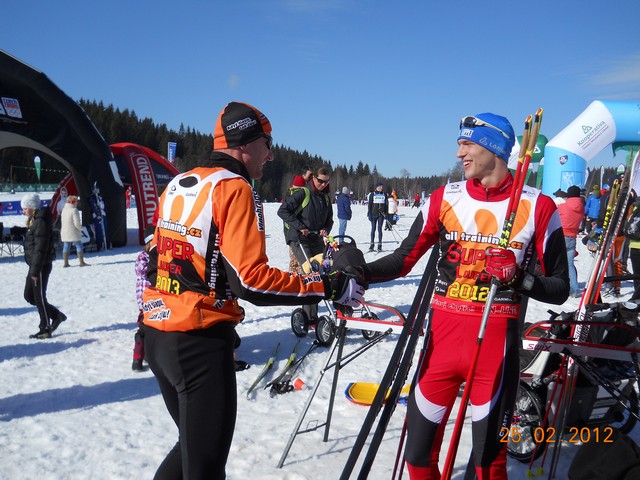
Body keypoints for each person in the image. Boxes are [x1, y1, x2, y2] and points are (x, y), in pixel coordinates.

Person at [141, 101, 364, 480]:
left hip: (158, 334)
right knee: (205, 466)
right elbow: (252, 282)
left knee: (190, 450)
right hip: (197, 341)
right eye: (267, 142)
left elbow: (153, 257)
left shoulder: (180, 182)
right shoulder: (235, 188)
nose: (272, 153)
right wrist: (326, 286)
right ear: (245, 143)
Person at [357, 113, 569, 479]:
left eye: (467, 144)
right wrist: (358, 270)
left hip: (496, 350)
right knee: (418, 457)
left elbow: (561, 288)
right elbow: (403, 260)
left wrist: (519, 278)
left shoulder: (538, 206)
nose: (459, 153)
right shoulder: (444, 198)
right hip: (441, 343)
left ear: (494, 148)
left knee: (489, 466)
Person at [278, 165, 334, 324]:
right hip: (299, 239)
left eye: (326, 182)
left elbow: (330, 219)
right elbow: (282, 211)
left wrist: (325, 229)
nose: (323, 184)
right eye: (320, 181)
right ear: (313, 178)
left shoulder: (325, 198)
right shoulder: (303, 192)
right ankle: (309, 318)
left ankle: (313, 313)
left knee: (323, 272)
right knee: (311, 273)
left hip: (316, 239)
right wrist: (299, 227)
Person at [21, 193, 67, 339]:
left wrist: (35, 270)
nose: (23, 211)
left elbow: (40, 247)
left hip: (40, 265)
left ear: (32, 207)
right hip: (35, 265)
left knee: (39, 297)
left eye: (25, 208)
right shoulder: (35, 220)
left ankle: (45, 327)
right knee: (29, 295)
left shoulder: (41, 221)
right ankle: (56, 315)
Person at [132, 224, 155, 371]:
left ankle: (147, 354)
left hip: (155, 299)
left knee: (152, 327)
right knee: (144, 329)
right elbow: (141, 271)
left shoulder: (155, 255)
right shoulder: (143, 256)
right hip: (146, 299)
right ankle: (137, 358)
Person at [558, 185, 584, 297]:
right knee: (570, 265)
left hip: (561, 236)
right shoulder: (581, 207)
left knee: (557, 263)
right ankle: (574, 290)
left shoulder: (563, 207)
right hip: (572, 237)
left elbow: (554, 218)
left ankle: (558, 286)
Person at [60, 195, 88, 267]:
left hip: (65, 231)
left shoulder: (64, 210)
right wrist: (80, 228)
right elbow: (77, 223)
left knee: (66, 246)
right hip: (73, 231)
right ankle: (81, 262)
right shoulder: (74, 210)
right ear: (74, 202)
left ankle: (66, 263)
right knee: (79, 245)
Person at [367, 181, 388, 251]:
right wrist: (369, 214)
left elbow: (386, 205)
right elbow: (369, 205)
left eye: (382, 186)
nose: (381, 187)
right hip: (373, 214)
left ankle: (379, 244)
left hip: (381, 215)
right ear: (377, 187)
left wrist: (386, 214)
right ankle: (372, 244)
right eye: (380, 186)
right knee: (373, 229)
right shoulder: (372, 194)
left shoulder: (384, 194)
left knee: (379, 229)